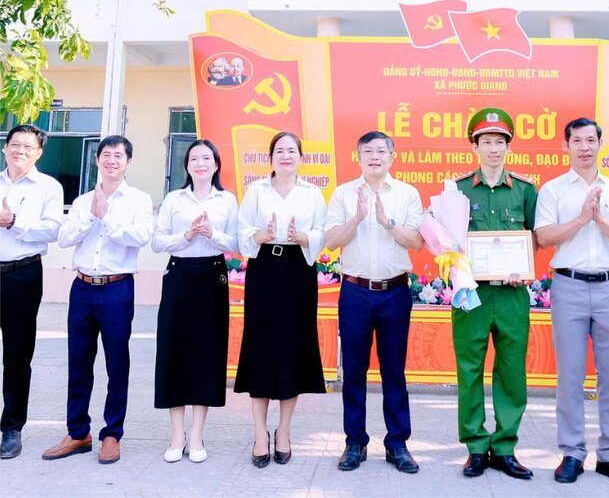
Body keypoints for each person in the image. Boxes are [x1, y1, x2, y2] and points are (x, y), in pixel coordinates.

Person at [534, 118, 609, 486]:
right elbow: (544, 237)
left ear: (600, 144)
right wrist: (582, 219)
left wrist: (601, 220)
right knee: (570, 375)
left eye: (590, 140)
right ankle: (572, 451)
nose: (584, 147)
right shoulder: (552, 190)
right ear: (565, 146)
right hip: (569, 286)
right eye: (576, 140)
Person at [43, 135, 153, 464]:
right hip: (82, 288)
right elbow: (64, 238)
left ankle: (112, 434)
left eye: (118, 156)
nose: (111, 160)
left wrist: (107, 218)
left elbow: (140, 237)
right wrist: (92, 216)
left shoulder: (139, 200)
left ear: (128, 162)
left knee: (117, 363)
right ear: (97, 160)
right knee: (78, 362)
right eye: (106, 155)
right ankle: (78, 432)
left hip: (117, 288)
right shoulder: (82, 201)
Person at [324, 131, 424, 474]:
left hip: (394, 293)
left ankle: (397, 443)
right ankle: (355, 442)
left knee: (394, 369)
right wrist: (357, 218)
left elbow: (417, 241)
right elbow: (331, 241)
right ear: (359, 157)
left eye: (382, 151)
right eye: (368, 151)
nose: (375, 157)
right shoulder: (343, 194)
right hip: (355, 292)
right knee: (354, 370)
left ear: (392, 157)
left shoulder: (407, 194)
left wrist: (386, 222)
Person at [451, 107, 537, 479]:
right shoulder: (456, 190)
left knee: (511, 371)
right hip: (471, 296)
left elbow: (533, 237)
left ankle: (504, 447)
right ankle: (475, 447)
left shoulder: (525, 190)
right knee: (469, 370)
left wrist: (525, 268)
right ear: (475, 146)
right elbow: (447, 241)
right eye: (486, 141)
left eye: (500, 142)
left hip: (511, 295)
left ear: (508, 146)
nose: (493, 149)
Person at [235, 131, 328, 468]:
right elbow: (242, 231)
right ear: (271, 157)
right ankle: (260, 432)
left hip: (298, 272)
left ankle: (284, 430)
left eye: (292, 151)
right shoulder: (257, 190)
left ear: (300, 157)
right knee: (260, 348)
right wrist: (259, 235)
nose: (286, 156)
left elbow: (323, 232)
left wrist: (302, 237)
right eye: (279, 151)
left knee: (293, 349)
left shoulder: (312, 193)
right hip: (264, 270)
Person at [151, 139, 239, 464]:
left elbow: (237, 243)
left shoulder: (227, 200)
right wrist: (186, 236)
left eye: (206, 158)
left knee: (206, 354)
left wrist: (212, 233)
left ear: (216, 164)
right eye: (193, 159)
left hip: (212, 277)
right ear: (186, 166)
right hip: (179, 275)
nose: (200, 164)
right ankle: (177, 434)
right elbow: (157, 242)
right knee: (173, 351)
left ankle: (198, 433)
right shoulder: (174, 199)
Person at [0, 124, 64, 459]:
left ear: (38, 153)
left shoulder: (48, 187)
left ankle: (11, 428)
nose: (19, 151)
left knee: (17, 354)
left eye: (27, 147)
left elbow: (52, 230)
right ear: (5, 147)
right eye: (15, 144)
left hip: (22, 274)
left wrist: (14, 222)